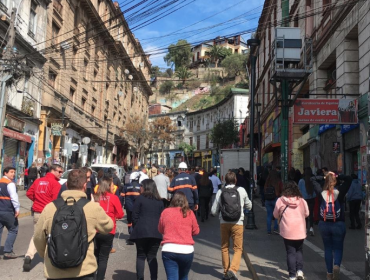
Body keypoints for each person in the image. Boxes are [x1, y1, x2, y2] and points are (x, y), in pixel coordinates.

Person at [33, 168, 114, 280]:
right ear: (85, 185)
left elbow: (38, 238)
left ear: (66, 184)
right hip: (84, 270)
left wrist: (46, 255)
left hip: (55, 271)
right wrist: (96, 206)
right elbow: (108, 226)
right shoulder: (92, 207)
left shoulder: (50, 207)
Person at [211, 171, 252, 280]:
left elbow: (213, 210)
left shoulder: (221, 191)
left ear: (225, 180)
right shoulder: (241, 190)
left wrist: (215, 213)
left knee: (224, 247)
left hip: (224, 222)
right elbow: (249, 205)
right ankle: (233, 270)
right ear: (235, 180)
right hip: (238, 223)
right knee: (238, 248)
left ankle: (226, 273)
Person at [23, 164, 63, 271]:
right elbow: (56, 201)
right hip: (49, 213)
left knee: (36, 235)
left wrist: (37, 200)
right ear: (52, 171)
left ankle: (29, 255)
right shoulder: (55, 184)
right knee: (51, 236)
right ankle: (49, 260)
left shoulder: (38, 181)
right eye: (59, 171)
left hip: (37, 212)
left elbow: (29, 193)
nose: (61, 174)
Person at [318, 172, 352, 280]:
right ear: (335, 181)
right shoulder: (340, 192)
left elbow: (312, 180)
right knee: (338, 248)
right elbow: (349, 179)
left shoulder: (320, 192)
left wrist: (324, 177)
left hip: (324, 224)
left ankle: (329, 273)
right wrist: (338, 176)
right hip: (338, 224)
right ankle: (336, 265)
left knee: (327, 248)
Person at [158, 192, 200, 280]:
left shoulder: (165, 212)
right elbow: (196, 231)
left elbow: (160, 229)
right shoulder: (189, 213)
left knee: (171, 277)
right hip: (186, 250)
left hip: (169, 249)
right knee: (184, 277)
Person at [273, 181, 309, 280]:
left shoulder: (280, 200)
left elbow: (275, 215)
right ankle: (300, 271)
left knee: (290, 252)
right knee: (299, 251)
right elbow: (307, 214)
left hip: (287, 231)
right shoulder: (302, 201)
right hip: (300, 230)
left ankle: (292, 275)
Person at [130, 179, 164, 280]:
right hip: (156, 232)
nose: (139, 188)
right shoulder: (159, 201)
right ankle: (154, 278)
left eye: (141, 186)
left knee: (141, 256)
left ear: (145, 187)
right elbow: (162, 217)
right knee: (152, 257)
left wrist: (137, 226)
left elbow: (134, 215)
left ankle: (140, 278)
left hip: (141, 231)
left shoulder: (140, 199)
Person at [93, 175, 124, 280]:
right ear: (108, 186)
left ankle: (93, 275)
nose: (113, 186)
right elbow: (120, 214)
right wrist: (114, 215)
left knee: (95, 255)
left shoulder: (95, 197)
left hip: (95, 230)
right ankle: (100, 277)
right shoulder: (114, 198)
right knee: (103, 258)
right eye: (112, 185)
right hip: (108, 230)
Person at [0, 167, 20, 259]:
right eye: (11, 172)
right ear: (5, 173)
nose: (13, 174)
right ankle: (8, 251)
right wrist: (17, 209)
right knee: (13, 229)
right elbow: (14, 198)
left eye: (14, 172)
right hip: (8, 210)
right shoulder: (10, 184)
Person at [121, 171, 142, 245]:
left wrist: (121, 205)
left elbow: (122, 196)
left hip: (128, 206)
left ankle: (131, 234)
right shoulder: (140, 186)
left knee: (129, 221)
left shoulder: (126, 186)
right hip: (137, 207)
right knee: (136, 220)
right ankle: (135, 235)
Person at [298, 167, 319, 236]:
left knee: (305, 214)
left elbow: (299, 190)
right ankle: (311, 228)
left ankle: (305, 229)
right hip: (312, 198)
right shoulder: (312, 180)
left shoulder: (301, 181)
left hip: (304, 199)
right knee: (311, 213)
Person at [264, 169, 283, 235]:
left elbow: (264, 190)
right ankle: (275, 229)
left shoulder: (267, 181)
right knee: (277, 215)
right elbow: (281, 190)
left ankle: (269, 230)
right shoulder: (278, 181)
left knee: (269, 215)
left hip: (268, 200)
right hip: (276, 199)